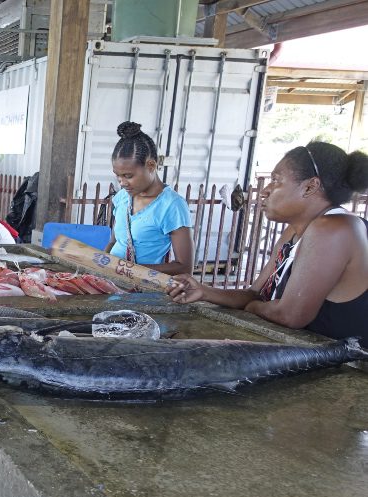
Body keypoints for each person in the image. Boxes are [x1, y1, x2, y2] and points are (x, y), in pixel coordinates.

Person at [168, 141, 368, 342]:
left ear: (310, 186)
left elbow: (290, 315)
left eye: (276, 180)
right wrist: (203, 292)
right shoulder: (294, 230)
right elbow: (254, 293)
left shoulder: (336, 228)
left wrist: (253, 307)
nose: (265, 191)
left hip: (353, 367)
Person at [105, 121, 193, 275]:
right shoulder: (122, 197)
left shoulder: (172, 206)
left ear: (151, 166)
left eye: (128, 176)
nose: (122, 182)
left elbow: (184, 267)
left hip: (141, 291)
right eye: (117, 175)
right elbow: (114, 242)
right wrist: (101, 263)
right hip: (110, 281)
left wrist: (129, 270)